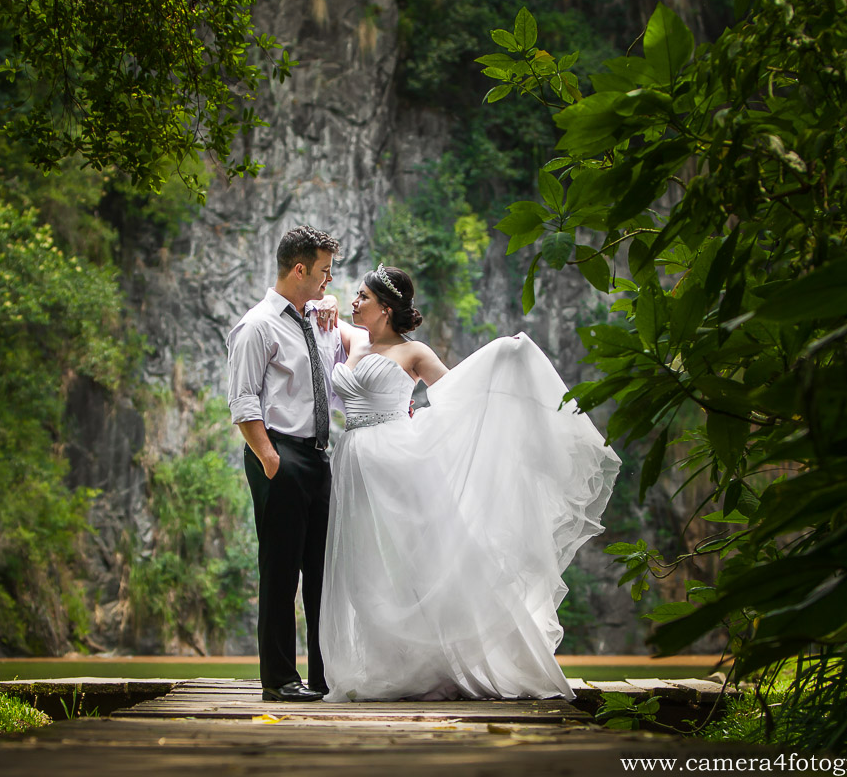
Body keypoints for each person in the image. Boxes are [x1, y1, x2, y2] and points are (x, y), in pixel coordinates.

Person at [320, 264, 621, 702]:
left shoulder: (415, 353)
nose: (353, 302)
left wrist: (503, 355)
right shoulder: (354, 340)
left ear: (385, 308)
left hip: (395, 461)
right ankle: (389, 662)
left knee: (417, 561)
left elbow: (461, 395)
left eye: (362, 297)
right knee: (364, 568)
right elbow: (325, 310)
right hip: (352, 463)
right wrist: (327, 302)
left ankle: (446, 658)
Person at [226, 225, 344, 702]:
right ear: (300, 269)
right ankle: (278, 680)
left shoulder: (313, 317)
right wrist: (272, 460)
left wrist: (327, 306)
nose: (328, 282)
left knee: (321, 572)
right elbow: (242, 402)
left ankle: (323, 676)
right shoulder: (257, 326)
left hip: (318, 455)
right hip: (280, 454)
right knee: (281, 571)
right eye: (323, 273)